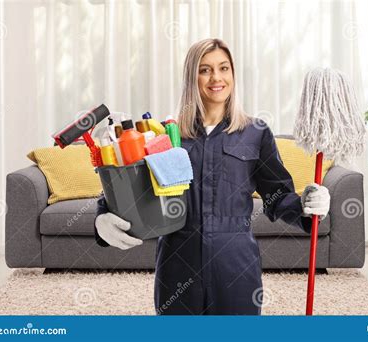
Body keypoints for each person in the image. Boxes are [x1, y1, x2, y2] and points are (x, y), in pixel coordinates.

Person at [95, 38, 330, 315]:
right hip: (178, 261)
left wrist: (309, 205)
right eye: (205, 69)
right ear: (191, 76)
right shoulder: (164, 135)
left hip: (235, 264)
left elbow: (277, 197)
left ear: (233, 74)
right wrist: (100, 219)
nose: (216, 78)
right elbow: (130, 190)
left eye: (223, 68)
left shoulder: (256, 132)